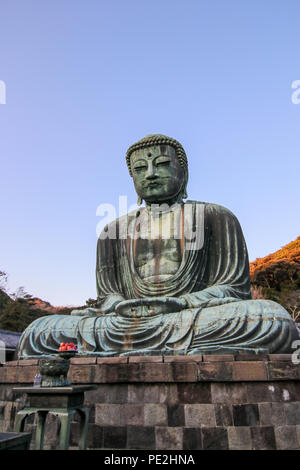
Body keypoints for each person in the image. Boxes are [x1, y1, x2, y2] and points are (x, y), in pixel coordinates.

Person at [17, 134, 299, 357]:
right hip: (124, 323)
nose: (150, 173)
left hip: (190, 316)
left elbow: (234, 289)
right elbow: (107, 297)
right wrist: (123, 308)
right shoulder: (111, 231)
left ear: (183, 172)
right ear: (132, 178)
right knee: (39, 332)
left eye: (162, 164)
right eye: (140, 169)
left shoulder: (215, 216)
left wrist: (181, 302)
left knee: (271, 320)